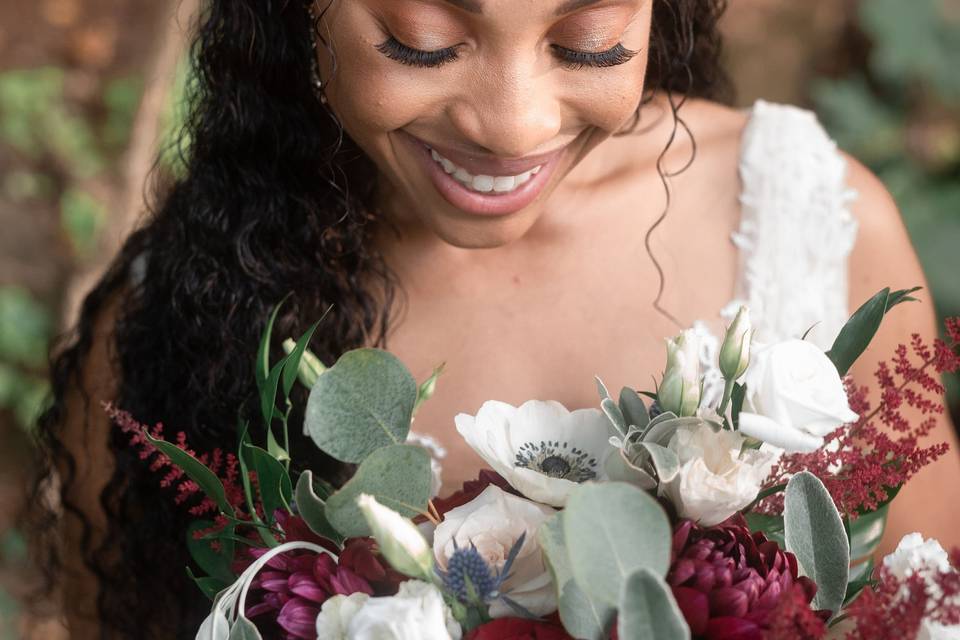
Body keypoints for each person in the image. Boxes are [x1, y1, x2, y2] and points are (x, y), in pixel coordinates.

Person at [30, 0, 960, 637]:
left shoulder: (807, 220)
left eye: (588, 41)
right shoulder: (187, 321)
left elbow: (932, 596)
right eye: (423, 40)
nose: (513, 127)